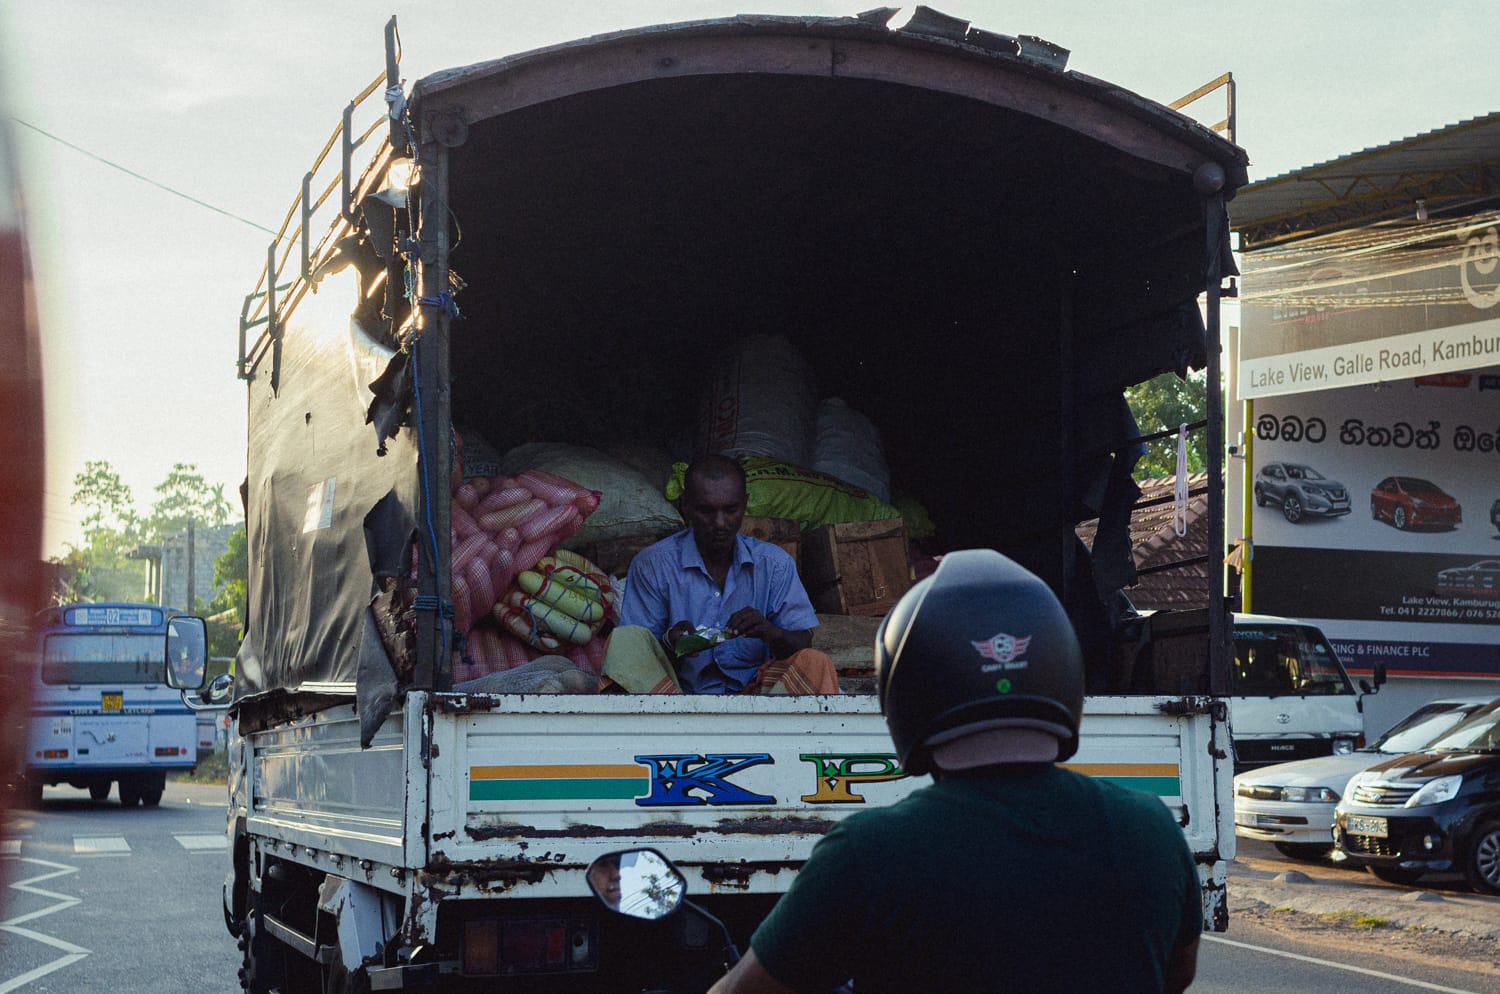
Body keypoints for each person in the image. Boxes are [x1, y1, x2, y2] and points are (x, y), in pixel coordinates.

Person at [707, 549, 1201, 994]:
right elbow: (1176, 976)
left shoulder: (868, 853)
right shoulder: (1150, 829)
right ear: (1063, 670)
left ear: (903, 689)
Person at [600, 454, 839, 695]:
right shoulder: (653, 564)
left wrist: (770, 631)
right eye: (706, 510)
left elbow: (803, 642)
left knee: (815, 663)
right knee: (624, 641)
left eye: (731, 509)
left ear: (744, 504)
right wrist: (671, 642)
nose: (720, 523)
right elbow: (639, 652)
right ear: (687, 507)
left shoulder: (774, 564)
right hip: (675, 698)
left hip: (759, 697)